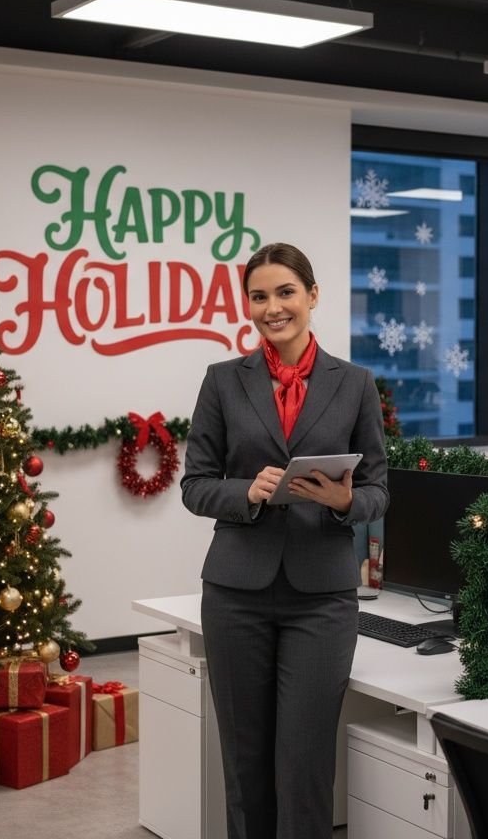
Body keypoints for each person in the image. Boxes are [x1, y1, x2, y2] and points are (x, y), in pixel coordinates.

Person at [180, 242, 389, 839]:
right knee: (245, 764)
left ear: (313, 295)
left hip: (321, 597)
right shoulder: (223, 381)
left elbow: (377, 490)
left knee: (304, 764)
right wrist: (247, 492)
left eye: (286, 292)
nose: (273, 308)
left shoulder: (354, 384)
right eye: (259, 296)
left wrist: (346, 501)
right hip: (236, 591)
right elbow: (196, 486)